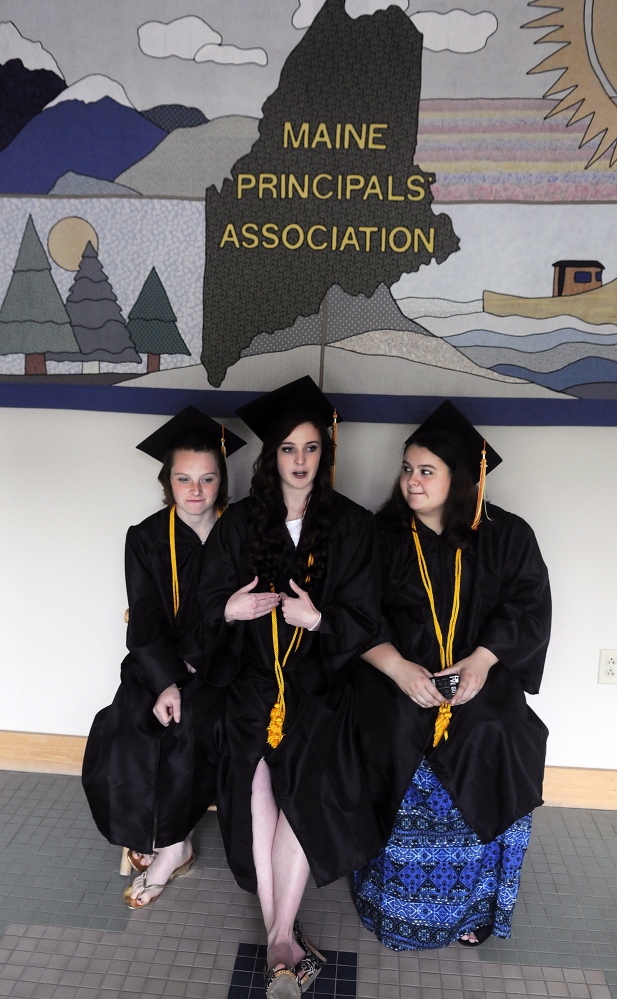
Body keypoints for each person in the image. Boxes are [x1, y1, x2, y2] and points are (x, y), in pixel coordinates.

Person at [181, 377, 382, 999]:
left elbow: (369, 615)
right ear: (271, 457)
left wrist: (319, 621)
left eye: (312, 448)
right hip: (250, 686)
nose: (300, 461)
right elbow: (201, 613)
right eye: (289, 449)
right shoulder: (240, 524)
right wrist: (230, 613)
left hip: (320, 687)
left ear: (326, 454)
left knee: (303, 776)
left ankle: (277, 940)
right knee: (255, 777)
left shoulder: (351, 525)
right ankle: (283, 940)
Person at [353, 400, 551, 951]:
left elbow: (528, 608)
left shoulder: (507, 535)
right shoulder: (380, 534)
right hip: (396, 676)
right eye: (407, 468)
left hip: (478, 676)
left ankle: (474, 904)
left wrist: (484, 661)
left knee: (501, 732)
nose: (411, 482)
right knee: (392, 731)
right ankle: (392, 904)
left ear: (458, 478)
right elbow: (353, 612)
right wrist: (396, 668)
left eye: (426, 471)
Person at [82, 407, 246, 907]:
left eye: (207, 478)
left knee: (190, 726)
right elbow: (146, 621)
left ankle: (172, 846)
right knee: (128, 718)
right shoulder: (146, 537)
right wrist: (165, 680)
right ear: (167, 481)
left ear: (222, 479)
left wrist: (192, 673)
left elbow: (248, 617)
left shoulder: (241, 533)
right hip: (162, 662)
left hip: (223, 665)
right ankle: (152, 832)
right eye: (183, 479)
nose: (196, 490)